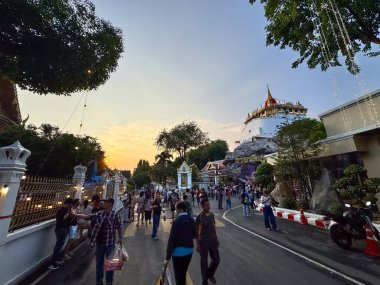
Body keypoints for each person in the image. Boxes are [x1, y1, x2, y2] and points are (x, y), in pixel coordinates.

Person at [77, 198, 122, 285]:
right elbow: (88, 217)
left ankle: (109, 281)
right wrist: (75, 215)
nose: (103, 204)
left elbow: (118, 227)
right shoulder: (100, 213)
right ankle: (99, 281)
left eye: (105, 202)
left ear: (110, 204)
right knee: (99, 263)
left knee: (110, 264)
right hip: (100, 243)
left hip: (110, 243)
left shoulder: (115, 215)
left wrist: (120, 238)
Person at [164, 202, 196, 285]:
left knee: (178, 276)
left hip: (178, 253)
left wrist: (167, 258)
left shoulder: (176, 221)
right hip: (189, 251)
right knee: (183, 272)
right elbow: (194, 235)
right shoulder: (191, 220)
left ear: (180, 209)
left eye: (176, 208)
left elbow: (171, 240)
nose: (175, 209)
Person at [196, 199, 220, 285]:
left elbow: (213, 228)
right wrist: (198, 245)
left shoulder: (211, 215)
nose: (208, 206)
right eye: (206, 205)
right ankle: (204, 281)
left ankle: (210, 274)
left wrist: (216, 239)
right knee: (204, 262)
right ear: (202, 206)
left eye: (208, 205)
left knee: (216, 260)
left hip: (213, 241)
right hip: (203, 242)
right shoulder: (199, 217)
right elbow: (196, 232)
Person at [49, 198, 74, 270]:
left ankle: (57, 259)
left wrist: (71, 214)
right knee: (58, 245)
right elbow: (61, 219)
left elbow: (69, 220)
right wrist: (68, 213)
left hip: (65, 229)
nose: (72, 206)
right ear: (69, 203)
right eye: (71, 204)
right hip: (60, 229)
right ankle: (53, 262)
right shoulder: (62, 209)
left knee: (60, 245)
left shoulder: (67, 210)